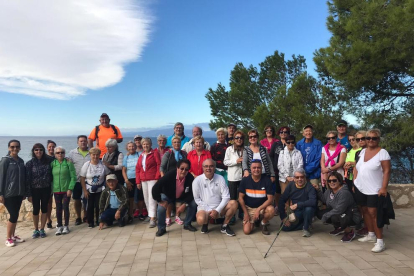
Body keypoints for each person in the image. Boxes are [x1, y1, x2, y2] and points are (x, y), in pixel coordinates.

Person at [354, 129, 391, 253]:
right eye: (368, 138)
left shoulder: (383, 153)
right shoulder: (362, 151)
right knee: (364, 211)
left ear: (378, 139)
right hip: (361, 187)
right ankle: (371, 234)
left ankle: (380, 241)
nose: (370, 140)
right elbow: (357, 167)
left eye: (373, 138)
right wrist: (355, 181)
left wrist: (384, 187)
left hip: (374, 189)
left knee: (374, 214)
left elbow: (386, 171)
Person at [193, 159, 238, 236]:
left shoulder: (220, 178)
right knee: (200, 220)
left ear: (214, 167)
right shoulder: (197, 180)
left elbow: (226, 197)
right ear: (202, 168)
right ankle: (205, 223)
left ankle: (224, 226)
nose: (208, 168)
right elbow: (197, 199)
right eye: (206, 166)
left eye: (211, 166)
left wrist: (217, 210)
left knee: (234, 203)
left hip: (219, 209)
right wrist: (210, 210)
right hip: (205, 209)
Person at [152, 159, 197, 236]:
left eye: (186, 169)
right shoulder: (169, 175)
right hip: (168, 195)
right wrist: (160, 201)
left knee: (194, 203)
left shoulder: (190, 178)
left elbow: (192, 193)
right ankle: (161, 228)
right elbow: (155, 188)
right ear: (177, 168)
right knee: (161, 208)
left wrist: (185, 204)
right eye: (182, 168)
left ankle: (187, 224)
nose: (184, 171)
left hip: (182, 196)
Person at [314, 172, 357, 242]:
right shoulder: (329, 191)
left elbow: (339, 209)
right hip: (339, 212)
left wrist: (326, 216)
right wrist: (318, 190)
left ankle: (349, 232)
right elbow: (324, 199)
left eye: (334, 180)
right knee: (320, 213)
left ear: (339, 181)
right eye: (329, 181)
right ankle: (339, 228)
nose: (331, 182)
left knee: (334, 216)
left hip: (351, 214)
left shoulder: (344, 192)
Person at [0, 140, 29, 247]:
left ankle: (13, 236)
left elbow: (23, 178)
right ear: (9, 148)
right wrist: (1, 193)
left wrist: (24, 192)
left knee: (15, 215)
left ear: (20, 148)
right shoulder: (5, 161)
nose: (15, 149)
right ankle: (8, 238)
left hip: (19, 193)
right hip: (9, 194)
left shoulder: (21, 161)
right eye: (12, 147)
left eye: (17, 147)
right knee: (13, 215)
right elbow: (1, 177)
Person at [239, 160, 275, 235]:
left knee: (271, 210)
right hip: (249, 208)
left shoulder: (267, 180)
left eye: (258, 168)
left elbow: (270, 199)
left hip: (262, 208)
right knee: (247, 231)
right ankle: (256, 221)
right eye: (254, 168)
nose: (256, 170)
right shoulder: (245, 180)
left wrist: (258, 209)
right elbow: (240, 198)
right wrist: (245, 213)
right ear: (250, 169)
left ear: (261, 169)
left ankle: (263, 222)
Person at [278, 168, 317, 237]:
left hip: (307, 210)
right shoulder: (291, 185)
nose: (299, 179)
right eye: (297, 177)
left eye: (302, 177)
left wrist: (298, 204)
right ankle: (305, 223)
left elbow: (313, 201)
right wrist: (283, 217)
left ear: (305, 177)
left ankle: (306, 228)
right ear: (294, 178)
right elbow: (282, 199)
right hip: (297, 211)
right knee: (284, 227)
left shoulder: (310, 186)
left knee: (309, 208)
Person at [26, 143, 52, 238]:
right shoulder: (30, 163)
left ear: (43, 151)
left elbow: (58, 159)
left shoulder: (49, 161)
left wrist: (67, 159)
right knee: (36, 210)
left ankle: (42, 229)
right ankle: (36, 229)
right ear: (33, 151)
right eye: (36, 150)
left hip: (46, 189)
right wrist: (28, 194)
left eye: (40, 149)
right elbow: (27, 179)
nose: (38, 151)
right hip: (34, 190)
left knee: (44, 208)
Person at [81, 147, 110, 228]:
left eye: (97, 155)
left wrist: (107, 187)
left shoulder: (102, 165)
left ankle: (99, 220)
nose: (95, 156)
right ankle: (90, 221)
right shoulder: (86, 165)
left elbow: (107, 175)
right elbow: (82, 178)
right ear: (90, 155)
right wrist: (85, 190)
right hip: (89, 189)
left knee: (99, 205)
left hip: (100, 189)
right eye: (93, 155)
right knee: (89, 206)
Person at [135, 138, 161, 228]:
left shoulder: (155, 153)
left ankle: (153, 218)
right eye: (144, 144)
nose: (145, 146)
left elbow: (159, 165)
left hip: (153, 178)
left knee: (152, 198)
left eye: (147, 144)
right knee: (146, 198)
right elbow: (138, 168)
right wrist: (138, 181)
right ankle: (151, 215)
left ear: (150, 144)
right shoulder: (141, 155)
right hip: (143, 180)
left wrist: (157, 177)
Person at [51, 146, 76, 235]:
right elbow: (50, 177)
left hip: (66, 190)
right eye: (58, 153)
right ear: (55, 154)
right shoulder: (53, 164)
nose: (60, 154)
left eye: (62, 152)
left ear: (64, 154)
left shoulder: (69, 163)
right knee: (58, 208)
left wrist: (70, 188)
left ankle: (66, 226)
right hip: (56, 190)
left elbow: (73, 177)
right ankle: (59, 226)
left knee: (65, 207)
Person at [67, 135, 90, 225]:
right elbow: (68, 165)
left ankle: (86, 216)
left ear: (87, 142)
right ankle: (78, 217)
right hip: (76, 180)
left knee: (86, 199)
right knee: (76, 199)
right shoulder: (72, 153)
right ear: (78, 142)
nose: (83, 142)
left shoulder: (91, 152)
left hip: (88, 181)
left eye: (84, 141)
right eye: (81, 141)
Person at [269, 126, 290, 214]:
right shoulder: (276, 144)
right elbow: (271, 157)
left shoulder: (291, 143)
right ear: (279, 134)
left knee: (288, 190)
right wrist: (272, 171)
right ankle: (277, 206)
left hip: (289, 172)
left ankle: (287, 207)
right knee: (278, 191)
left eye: (285, 132)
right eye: (281, 132)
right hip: (277, 171)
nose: (283, 134)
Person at [296, 124, 322, 189]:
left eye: (310, 131)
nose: (308, 133)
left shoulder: (318, 144)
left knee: (314, 192)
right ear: (303, 133)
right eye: (306, 131)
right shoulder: (299, 144)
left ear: (312, 132)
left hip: (314, 174)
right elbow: (296, 159)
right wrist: (301, 171)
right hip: (301, 174)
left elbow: (318, 159)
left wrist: (306, 170)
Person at [122, 141, 140, 223]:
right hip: (129, 179)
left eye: (133, 146)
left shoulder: (139, 155)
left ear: (136, 147)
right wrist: (126, 180)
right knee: (130, 198)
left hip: (138, 178)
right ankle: (130, 215)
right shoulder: (126, 157)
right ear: (127, 148)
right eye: (129, 146)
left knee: (139, 197)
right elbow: (123, 170)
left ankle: (140, 214)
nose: (131, 148)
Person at [45, 139, 56, 229]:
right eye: (50, 147)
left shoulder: (59, 156)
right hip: (47, 183)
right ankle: (48, 220)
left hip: (57, 182)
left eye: (53, 147)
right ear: (47, 148)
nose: (51, 148)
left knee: (59, 202)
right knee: (48, 203)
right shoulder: (44, 158)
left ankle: (60, 220)